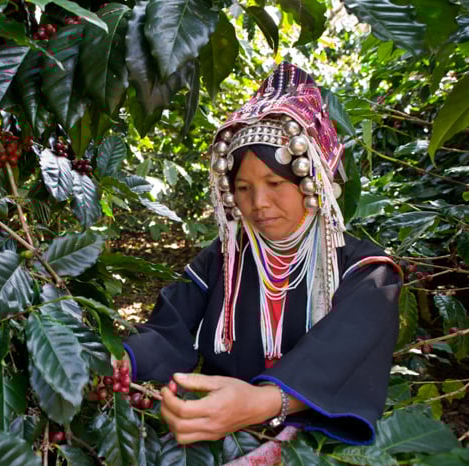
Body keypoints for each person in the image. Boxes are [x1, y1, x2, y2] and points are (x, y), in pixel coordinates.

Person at [120, 62, 402, 447]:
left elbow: (344, 354)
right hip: (224, 437)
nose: (259, 203)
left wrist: (265, 402)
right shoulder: (225, 258)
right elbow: (168, 328)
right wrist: (119, 362)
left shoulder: (366, 272)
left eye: (274, 183)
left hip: (320, 446)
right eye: (244, 187)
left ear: (313, 183)